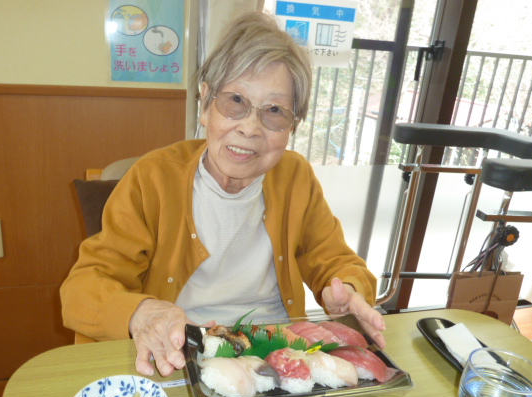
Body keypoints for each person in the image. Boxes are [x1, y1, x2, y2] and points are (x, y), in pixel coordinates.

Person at [60, 12, 385, 377]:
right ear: (205, 103)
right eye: (235, 101)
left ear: (292, 125)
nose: (250, 128)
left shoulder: (295, 177)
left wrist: (347, 289)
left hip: (277, 354)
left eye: (274, 111)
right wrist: (141, 313)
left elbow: (333, 258)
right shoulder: (153, 178)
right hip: (178, 354)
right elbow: (83, 288)